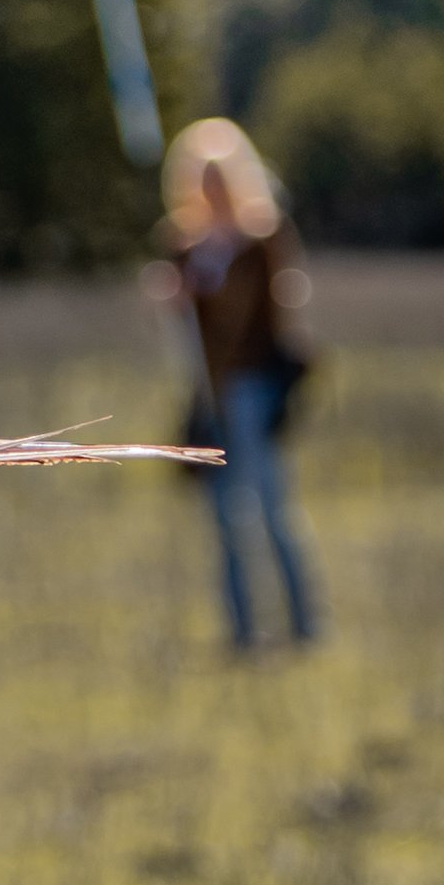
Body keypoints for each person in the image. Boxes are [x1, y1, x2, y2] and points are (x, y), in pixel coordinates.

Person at [145, 118, 318, 650]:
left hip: (255, 388)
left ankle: (304, 627)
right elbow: (184, 331)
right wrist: (175, 296)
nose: (213, 190)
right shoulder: (180, 245)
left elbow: (273, 315)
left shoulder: (262, 240)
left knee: (269, 508)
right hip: (211, 393)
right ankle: (244, 633)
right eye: (204, 179)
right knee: (222, 515)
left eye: (221, 179)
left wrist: (207, 291)